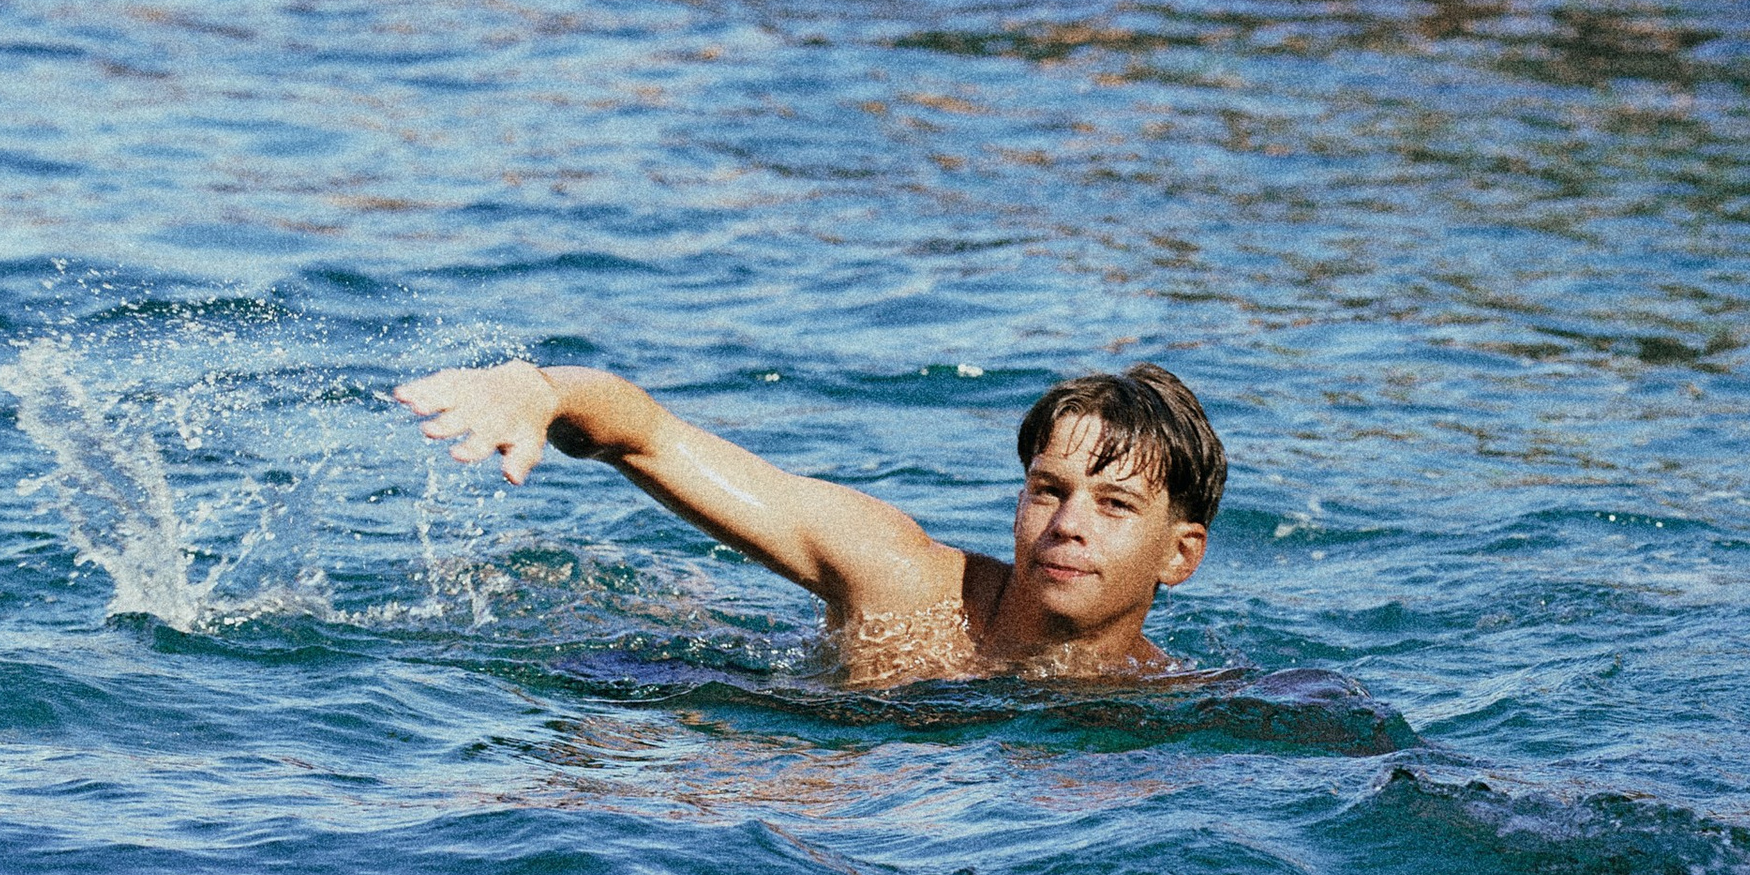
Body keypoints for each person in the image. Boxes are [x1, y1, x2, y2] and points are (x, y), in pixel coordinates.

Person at [394, 354, 1225, 677]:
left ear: (1179, 554)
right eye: (1049, 489)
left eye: (1114, 505)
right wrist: (541, 391)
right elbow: (647, 436)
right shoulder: (899, 581)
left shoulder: (1174, 701)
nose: (1068, 524)